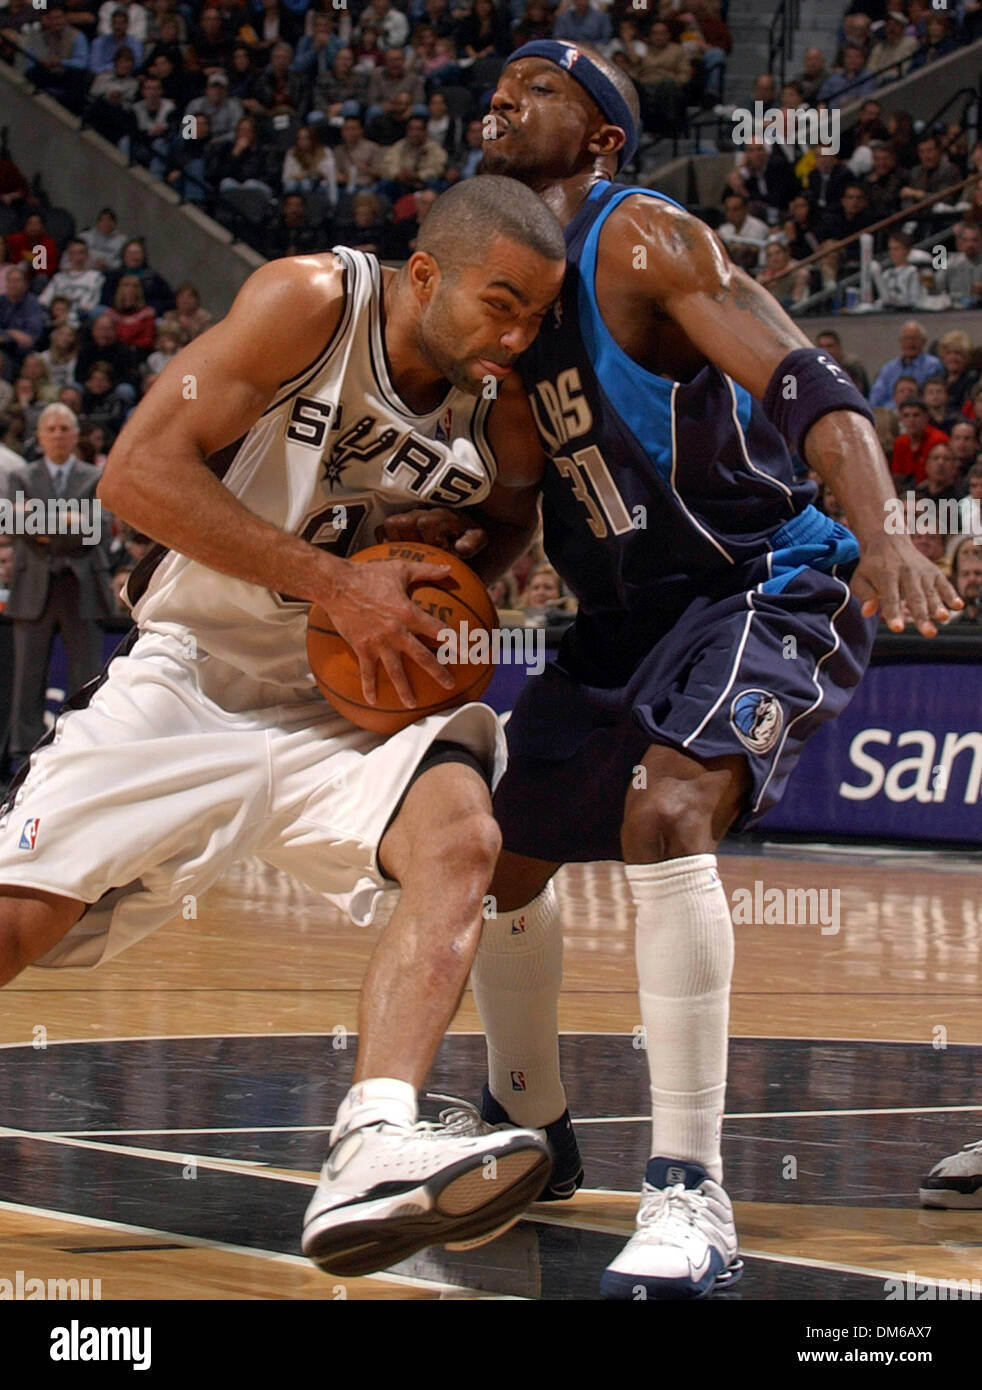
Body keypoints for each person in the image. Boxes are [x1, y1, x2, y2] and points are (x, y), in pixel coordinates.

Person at [387, 38, 961, 1301]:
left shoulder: (641, 238)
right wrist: (428, 580)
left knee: (668, 806)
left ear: (600, 138)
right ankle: (530, 1125)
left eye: (540, 88)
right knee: (491, 843)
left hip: (757, 578)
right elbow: (523, 504)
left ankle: (690, 1189)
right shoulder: (509, 302)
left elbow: (811, 378)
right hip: (620, 612)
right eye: (498, 82)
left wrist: (889, 533)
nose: (504, 97)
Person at [0, 176, 566, 1277]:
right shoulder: (312, 301)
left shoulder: (498, 397)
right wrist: (334, 585)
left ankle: (371, 1138)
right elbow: (135, 475)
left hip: (347, 705)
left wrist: (437, 594)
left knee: (463, 835)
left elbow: (505, 517)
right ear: (423, 275)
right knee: (20, 927)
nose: (518, 335)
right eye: (501, 305)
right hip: (191, 681)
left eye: (537, 315)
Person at [1, 403, 115, 765]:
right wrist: (66, 521)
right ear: (39, 435)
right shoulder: (21, 477)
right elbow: (12, 524)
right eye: (50, 428)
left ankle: (82, 755)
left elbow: (96, 528)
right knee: (26, 681)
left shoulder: (95, 476)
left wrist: (41, 523)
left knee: (86, 680)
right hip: (33, 587)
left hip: (82, 587)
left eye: (65, 428)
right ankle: (23, 759)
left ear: (76, 434)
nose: (58, 435)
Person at [868, 320, 944, 407]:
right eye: (906, 338)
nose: (910, 343)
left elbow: (933, 398)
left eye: (915, 338)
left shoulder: (933, 365)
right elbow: (875, 400)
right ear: (900, 342)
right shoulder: (889, 368)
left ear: (924, 341)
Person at [891, 398, 949, 486]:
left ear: (926, 418)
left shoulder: (939, 440)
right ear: (901, 419)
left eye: (916, 415)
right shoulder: (900, 442)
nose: (911, 420)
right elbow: (898, 475)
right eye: (906, 416)